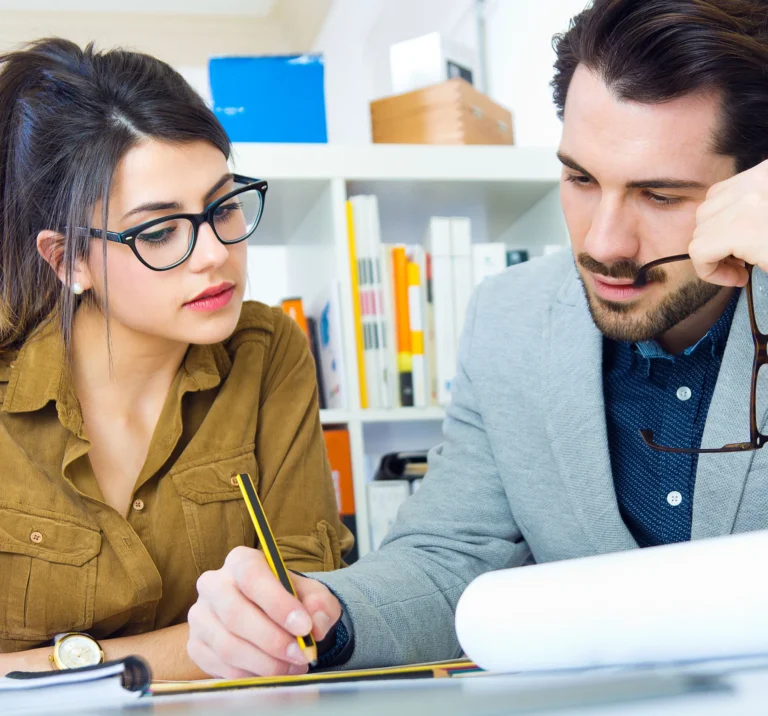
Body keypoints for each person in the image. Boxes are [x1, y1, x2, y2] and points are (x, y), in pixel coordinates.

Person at [187, 0, 768, 678]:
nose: (605, 243)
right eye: (580, 178)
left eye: (661, 196)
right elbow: (447, 559)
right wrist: (320, 616)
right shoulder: (509, 319)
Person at [0, 38, 352, 679]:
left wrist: (61, 665)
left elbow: (298, 622)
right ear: (68, 260)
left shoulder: (268, 351)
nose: (214, 252)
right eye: (159, 231)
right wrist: (191, 647)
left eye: (222, 206)